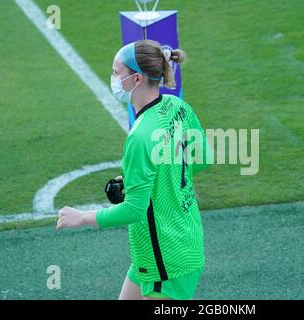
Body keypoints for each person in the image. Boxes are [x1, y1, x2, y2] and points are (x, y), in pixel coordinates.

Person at [56, 39, 212, 300]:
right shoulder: (179, 107)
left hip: (166, 263)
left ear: (137, 79)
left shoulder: (140, 137)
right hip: (167, 247)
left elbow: (133, 210)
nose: (114, 78)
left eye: (117, 73)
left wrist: (81, 217)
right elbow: (202, 158)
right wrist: (143, 180)